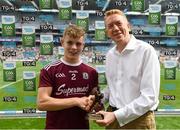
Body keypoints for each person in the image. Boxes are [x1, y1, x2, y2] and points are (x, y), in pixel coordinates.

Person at [96, 9, 160, 129]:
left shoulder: (146, 51)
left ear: (128, 26)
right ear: (107, 32)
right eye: (110, 26)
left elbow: (149, 97)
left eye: (119, 23)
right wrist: (99, 99)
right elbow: (113, 88)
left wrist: (116, 115)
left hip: (138, 120)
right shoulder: (110, 55)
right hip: (112, 117)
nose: (115, 28)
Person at [37, 24, 98, 129]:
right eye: (69, 42)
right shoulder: (49, 70)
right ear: (62, 43)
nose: (74, 47)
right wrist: (76, 101)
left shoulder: (92, 72)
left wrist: (95, 103)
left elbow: (93, 103)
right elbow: (42, 103)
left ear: (83, 45)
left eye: (78, 44)